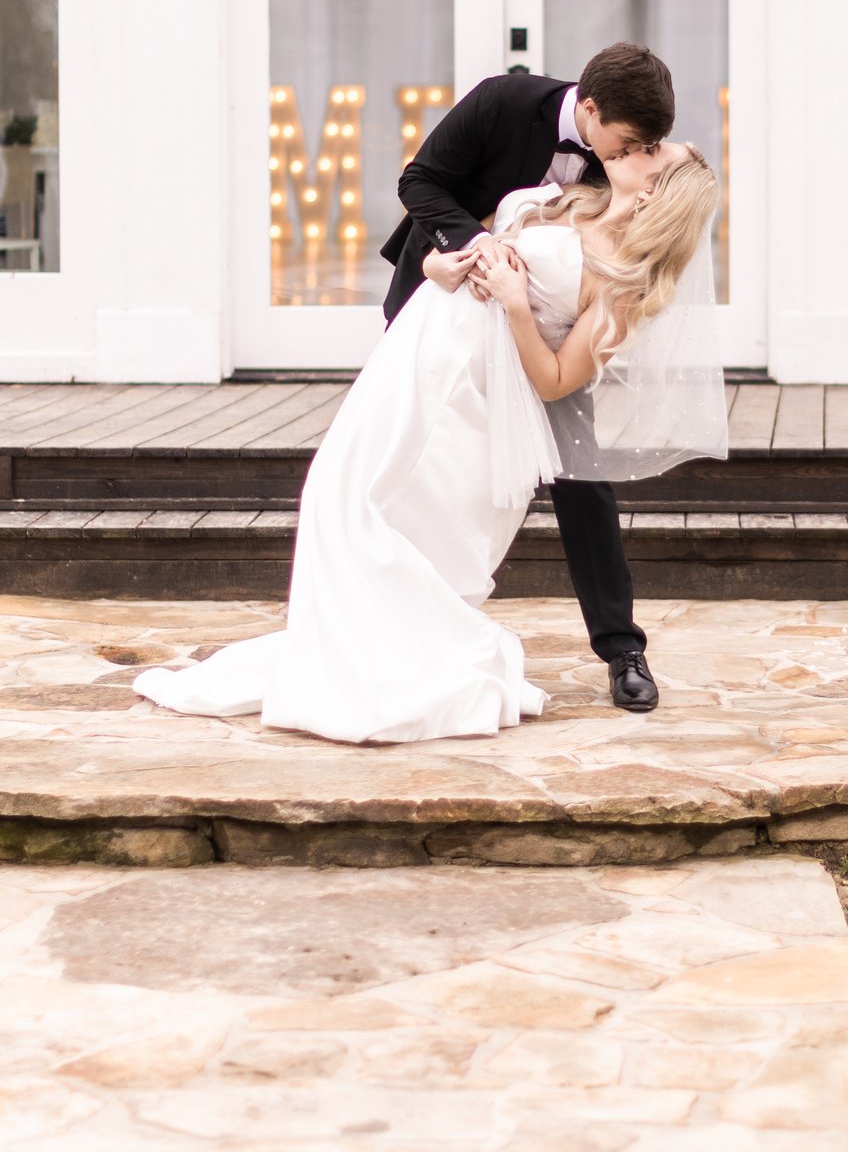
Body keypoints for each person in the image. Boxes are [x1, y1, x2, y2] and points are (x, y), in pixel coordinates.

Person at [132, 137, 722, 744]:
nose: (637, 145)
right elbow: (460, 244)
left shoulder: (623, 287)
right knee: (335, 493)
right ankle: (341, 647)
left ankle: (391, 665)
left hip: (475, 406)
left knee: (407, 531)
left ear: (656, 191)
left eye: (655, 150)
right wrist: (436, 266)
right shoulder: (568, 202)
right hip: (418, 354)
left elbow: (553, 383)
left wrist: (518, 305)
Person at [380, 43, 680, 712]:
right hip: (447, 308)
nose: (634, 157)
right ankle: (396, 621)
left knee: (583, 477)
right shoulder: (502, 102)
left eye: (645, 146)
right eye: (629, 143)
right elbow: (419, 181)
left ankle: (622, 648)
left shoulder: (626, 156)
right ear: (591, 108)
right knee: (417, 464)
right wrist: (471, 242)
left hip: (544, 333)